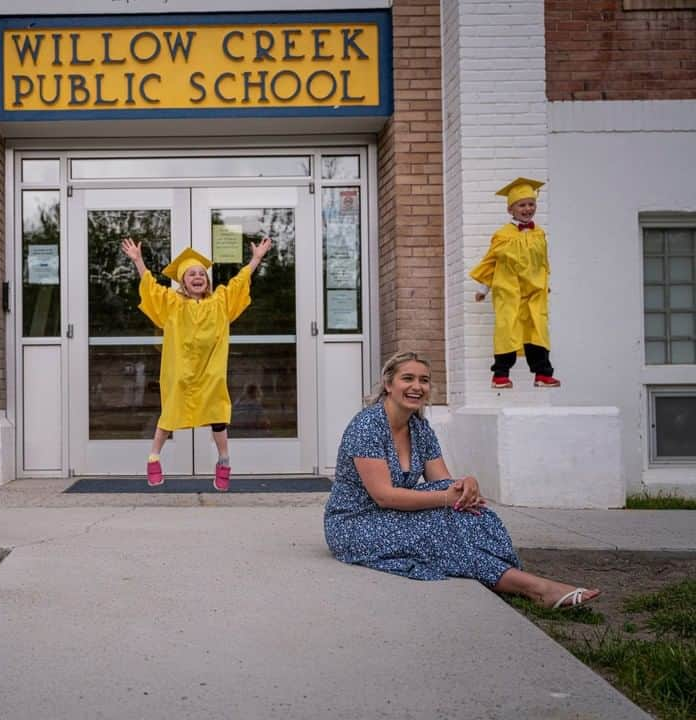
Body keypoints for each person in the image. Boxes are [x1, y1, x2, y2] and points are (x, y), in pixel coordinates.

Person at [323, 351, 600, 609]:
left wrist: (465, 486)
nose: (416, 387)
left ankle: (518, 578)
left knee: (473, 513)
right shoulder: (367, 426)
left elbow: (443, 482)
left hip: (394, 516)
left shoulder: (420, 428)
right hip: (356, 523)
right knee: (441, 531)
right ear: (388, 384)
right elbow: (384, 496)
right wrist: (447, 497)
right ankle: (533, 588)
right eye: (407, 378)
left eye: (424, 380)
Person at [121, 237, 273, 491]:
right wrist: (138, 261)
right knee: (169, 413)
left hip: (210, 372)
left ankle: (224, 461)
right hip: (181, 371)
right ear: (183, 281)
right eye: (191, 273)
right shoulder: (172, 303)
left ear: (207, 280)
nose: (197, 276)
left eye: (201, 273)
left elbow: (239, 283)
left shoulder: (221, 301)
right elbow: (151, 288)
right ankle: (153, 458)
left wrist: (256, 259)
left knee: (217, 415)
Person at [470, 177, 560, 389]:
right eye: (522, 205)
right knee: (507, 329)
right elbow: (491, 262)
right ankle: (500, 375)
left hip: (534, 291)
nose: (527, 208)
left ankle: (542, 374)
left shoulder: (539, 233)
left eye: (531, 204)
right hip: (509, 290)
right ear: (510, 209)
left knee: (537, 329)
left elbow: (542, 262)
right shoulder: (502, 235)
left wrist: (545, 283)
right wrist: (484, 288)